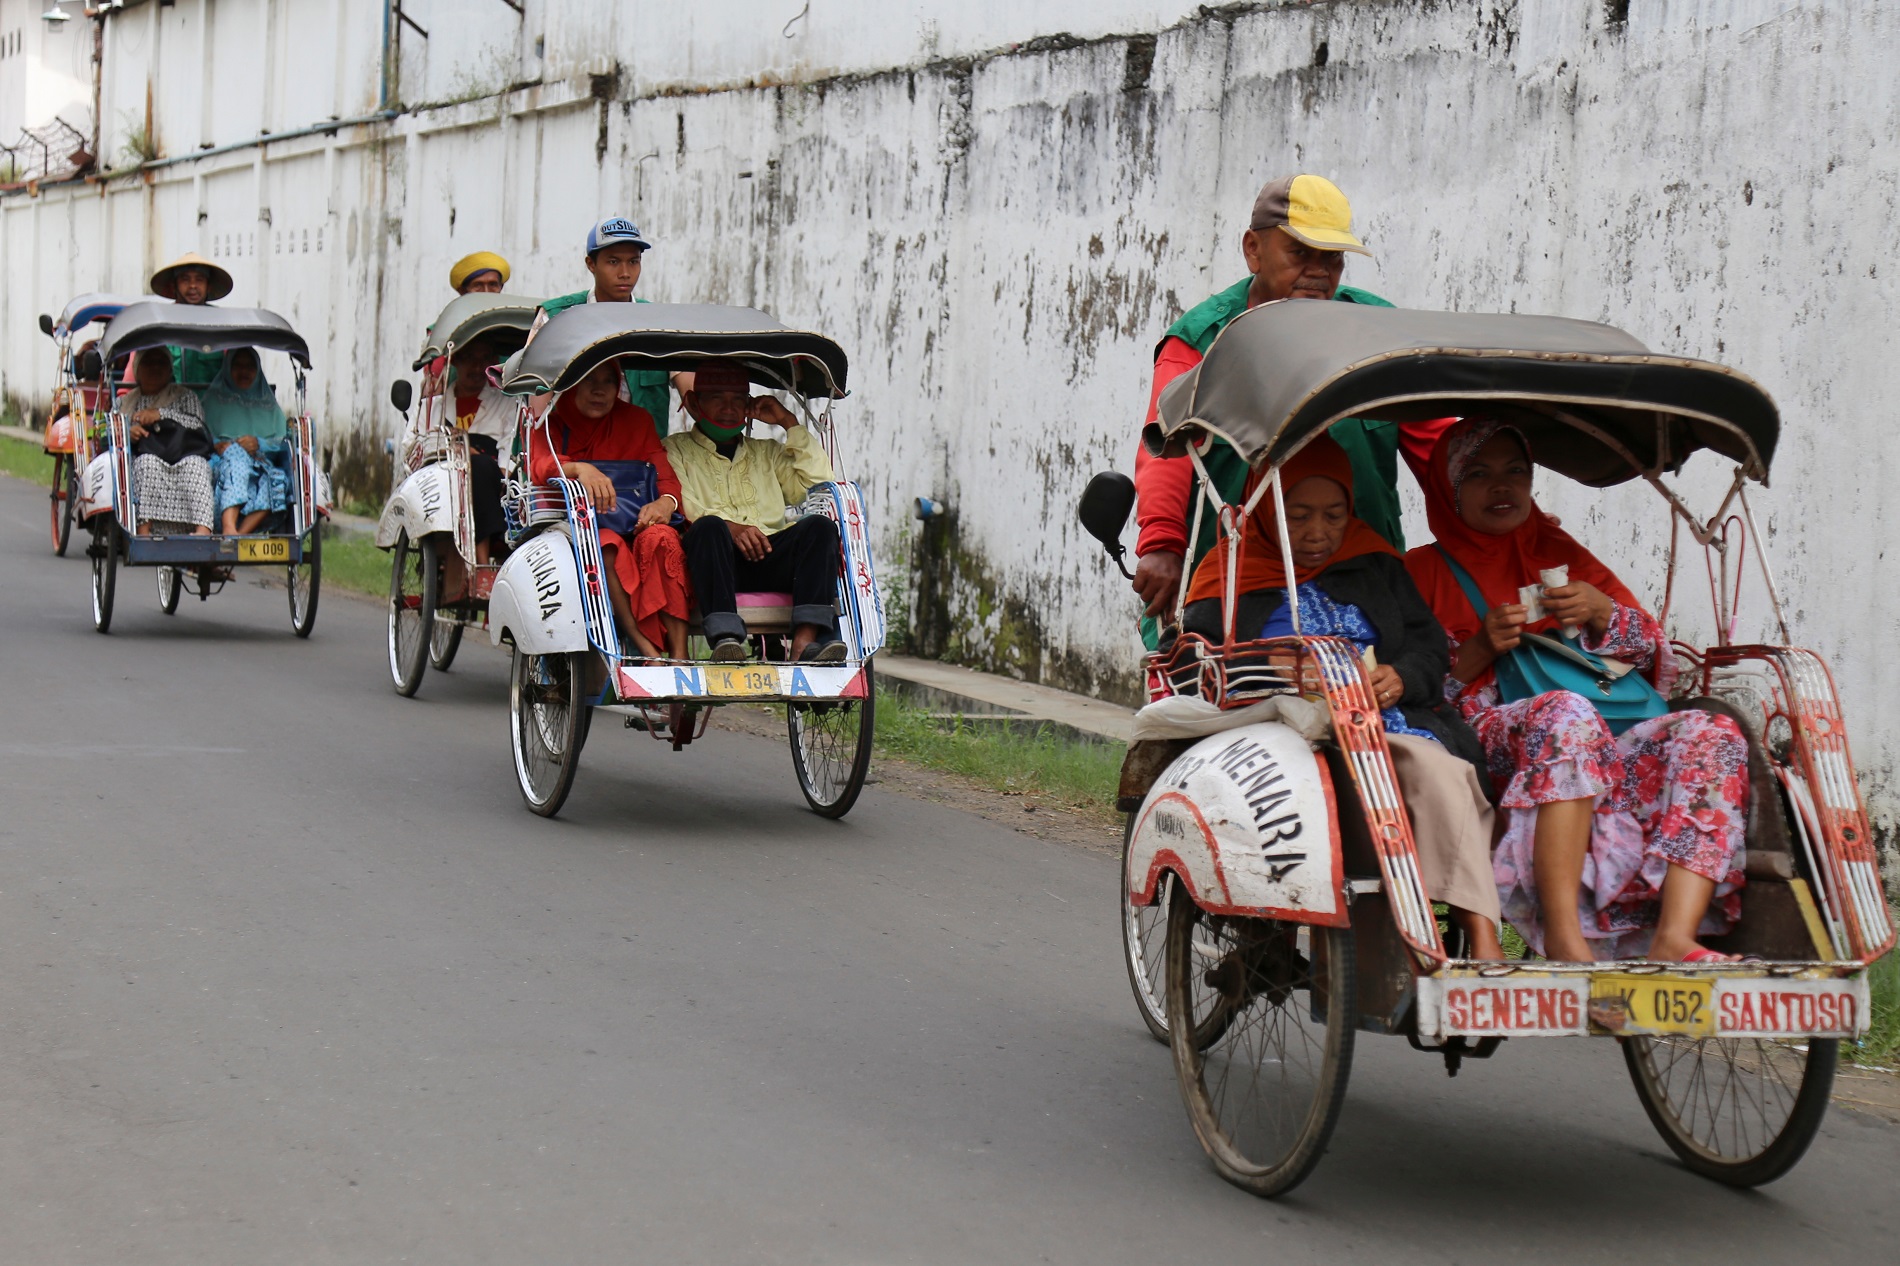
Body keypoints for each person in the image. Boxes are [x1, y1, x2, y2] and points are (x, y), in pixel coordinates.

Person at [1404, 419, 1749, 963]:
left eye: (1515, 471)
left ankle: (1675, 936)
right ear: (1448, 490)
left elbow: (1656, 660)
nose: (1502, 487)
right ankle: (1565, 936)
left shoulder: (1557, 549)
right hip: (1482, 744)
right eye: (1478, 474)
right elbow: (1411, 694)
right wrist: (1480, 650)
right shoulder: (1417, 573)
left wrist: (1601, 611)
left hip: (1608, 735)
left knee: (1712, 729)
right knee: (1567, 713)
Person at [1179, 434, 1505, 959]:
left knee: (1446, 775)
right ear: (1266, 508)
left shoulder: (1373, 561)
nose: (1317, 533)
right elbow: (1196, 657)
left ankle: (1481, 940)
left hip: (1380, 725)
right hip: (1277, 733)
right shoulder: (1231, 568)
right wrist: (1262, 665)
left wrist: (1399, 677)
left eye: (1333, 515)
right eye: (1299, 515)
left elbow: (1427, 646)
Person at [1131, 174, 1421, 649]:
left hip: (1359, 590)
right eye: (1300, 253)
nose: (1318, 271)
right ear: (1253, 250)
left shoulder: (1377, 333)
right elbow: (1167, 448)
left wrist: (1491, 507)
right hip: (1230, 589)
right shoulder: (1203, 339)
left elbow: (1436, 443)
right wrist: (1162, 544)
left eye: (1332, 258)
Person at [663, 359, 844, 663]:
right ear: (693, 402)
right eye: (717, 398)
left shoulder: (767, 452)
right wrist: (732, 529)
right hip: (716, 562)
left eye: (737, 399)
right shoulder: (674, 449)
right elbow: (685, 505)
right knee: (708, 527)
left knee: (820, 528)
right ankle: (726, 639)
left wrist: (788, 422)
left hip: (770, 556)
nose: (729, 408)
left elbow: (818, 483)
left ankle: (805, 643)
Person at [528, 359, 690, 660]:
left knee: (664, 539)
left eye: (608, 382)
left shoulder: (637, 421)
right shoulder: (553, 421)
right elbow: (537, 465)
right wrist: (578, 468)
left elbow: (664, 474)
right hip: (578, 529)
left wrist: (665, 503)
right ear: (572, 384)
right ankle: (646, 649)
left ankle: (680, 659)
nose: (599, 391)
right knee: (606, 547)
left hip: (634, 522)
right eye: (589, 380)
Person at [530, 216, 681, 433]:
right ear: (591, 264)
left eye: (633, 261)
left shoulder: (659, 323)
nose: (625, 273)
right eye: (613, 262)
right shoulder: (556, 317)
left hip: (639, 457)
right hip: (570, 455)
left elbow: (691, 388)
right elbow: (535, 400)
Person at [438, 336, 516, 597]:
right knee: (474, 464)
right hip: (442, 485)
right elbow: (413, 446)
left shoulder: (504, 402)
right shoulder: (433, 406)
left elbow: (508, 448)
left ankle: (483, 565)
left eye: (484, 360)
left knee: (481, 467)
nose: (476, 367)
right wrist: (459, 453)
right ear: (455, 361)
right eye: (470, 359)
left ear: (493, 363)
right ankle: (481, 566)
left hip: (489, 485)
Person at [121, 347, 214, 536]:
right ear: (137, 368)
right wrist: (128, 433)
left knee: (198, 465)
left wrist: (160, 415)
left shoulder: (185, 396)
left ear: (170, 369)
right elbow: (110, 434)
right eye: (149, 363)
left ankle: (202, 530)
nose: (155, 368)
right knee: (146, 463)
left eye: (161, 363)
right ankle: (144, 529)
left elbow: (197, 425)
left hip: (183, 454)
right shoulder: (127, 402)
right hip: (146, 457)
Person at [200, 348, 288, 535]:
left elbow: (283, 443)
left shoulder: (269, 406)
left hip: (261, 466)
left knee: (277, 479)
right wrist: (217, 444)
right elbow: (199, 435)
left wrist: (259, 444)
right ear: (227, 368)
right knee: (236, 456)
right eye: (237, 366)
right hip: (222, 465)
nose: (244, 371)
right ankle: (229, 526)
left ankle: (239, 535)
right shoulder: (213, 401)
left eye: (250, 367)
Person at [149, 252, 232, 385]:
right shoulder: (158, 323)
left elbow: (240, 370)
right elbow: (133, 373)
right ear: (174, 286)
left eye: (199, 279)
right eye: (185, 279)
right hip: (167, 403)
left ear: (208, 286)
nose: (193, 285)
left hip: (212, 403)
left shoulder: (223, 324)